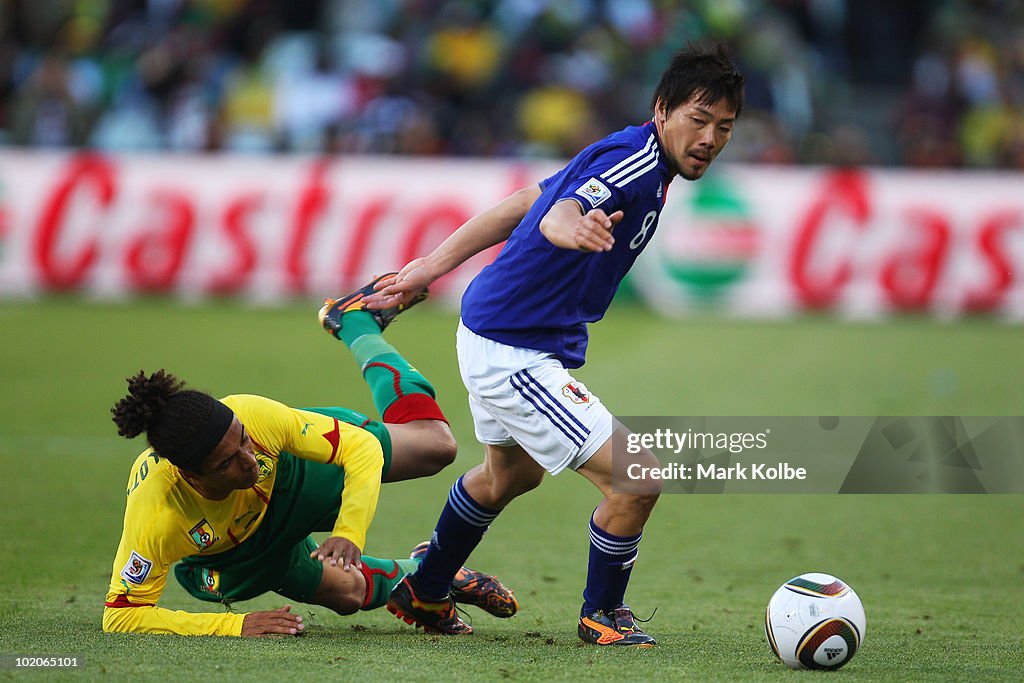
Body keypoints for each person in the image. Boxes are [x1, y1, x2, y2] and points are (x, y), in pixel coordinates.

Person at [368, 45, 744, 646]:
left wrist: (428, 267)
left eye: (723, 127)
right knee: (637, 477)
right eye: (698, 120)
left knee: (508, 476)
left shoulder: (632, 151)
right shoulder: (635, 166)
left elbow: (525, 202)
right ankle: (602, 615)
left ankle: (426, 587)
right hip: (514, 352)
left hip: (498, 332)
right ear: (662, 111)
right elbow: (553, 214)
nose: (709, 138)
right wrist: (574, 224)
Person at [103, 277, 517, 636]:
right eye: (225, 462)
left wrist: (349, 532)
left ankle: (355, 322)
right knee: (348, 594)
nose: (248, 460)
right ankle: (428, 574)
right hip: (238, 555)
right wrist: (233, 625)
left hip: (292, 476)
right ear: (190, 475)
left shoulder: (255, 416)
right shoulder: (157, 513)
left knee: (435, 446)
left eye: (244, 441)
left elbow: (361, 449)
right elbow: (122, 617)